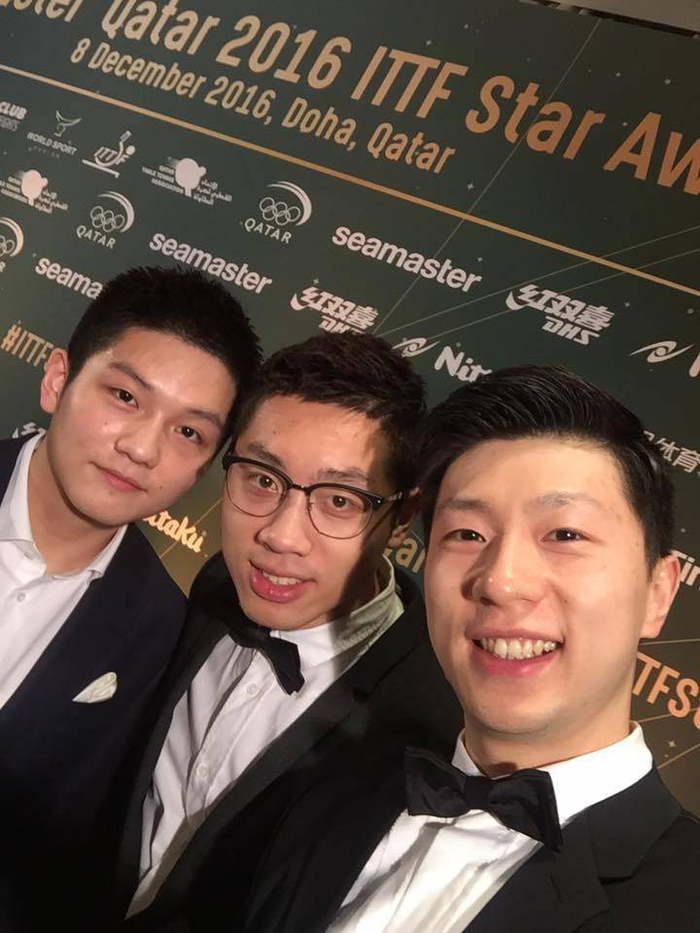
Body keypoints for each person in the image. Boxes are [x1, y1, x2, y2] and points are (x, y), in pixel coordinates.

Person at [237, 365, 700, 933]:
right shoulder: (328, 793)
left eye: (565, 534)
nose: (500, 581)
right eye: (467, 534)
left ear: (657, 593)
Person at [110, 332, 461, 929]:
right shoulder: (217, 585)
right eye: (263, 479)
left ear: (402, 516)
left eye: (340, 500)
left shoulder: (428, 721)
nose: (279, 535)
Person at [0, 265, 260, 931]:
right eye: (125, 396)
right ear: (57, 380)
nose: (142, 448)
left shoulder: (162, 633)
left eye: (188, 432)